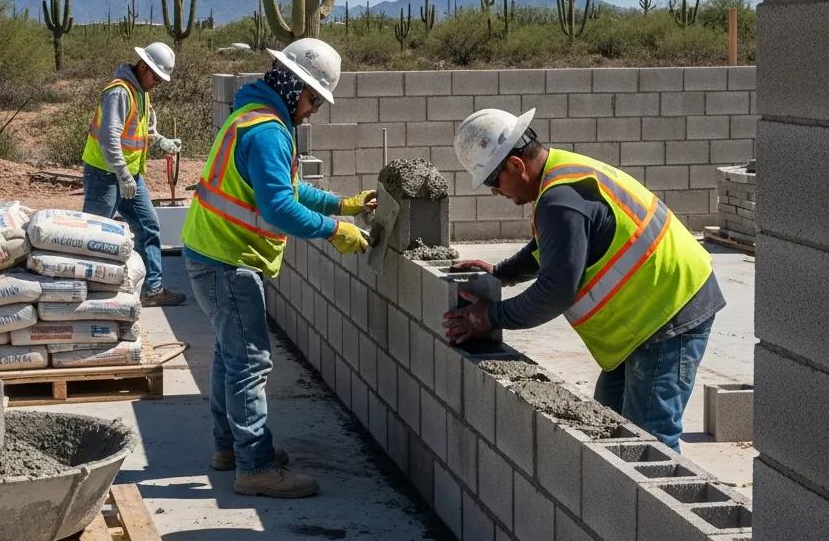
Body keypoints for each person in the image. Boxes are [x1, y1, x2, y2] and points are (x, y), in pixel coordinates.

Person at [444, 107, 724, 451]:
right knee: (608, 423)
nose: (495, 192)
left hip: (671, 308)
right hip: (649, 311)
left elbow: (555, 292)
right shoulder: (562, 174)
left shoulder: (560, 200)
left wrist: (488, 316)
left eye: (492, 181)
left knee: (649, 439)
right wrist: (502, 273)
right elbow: (555, 247)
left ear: (516, 165)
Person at [182, 37, 375, 498]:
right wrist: (334, 230)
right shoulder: (268, 131)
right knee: (250, 361)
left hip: (211, 252)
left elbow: (285, 187)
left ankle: (229, 448)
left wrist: (341, 204)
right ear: (294, 87)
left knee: (231, 356)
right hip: (228, 260)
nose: (312, 112)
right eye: (314, 100)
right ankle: (255, 466)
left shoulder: (252, 116)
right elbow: (280, 208)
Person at [81, 42, 186, 307]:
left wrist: (160, 141)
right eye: (156, 77)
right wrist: (123, 175)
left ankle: (152, 290)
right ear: (143, 67)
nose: (158, 83)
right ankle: (85, 292)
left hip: (129, 175)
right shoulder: (119, 92)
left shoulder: (141, 93)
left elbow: (144, 129)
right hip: (105, 174)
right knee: (94, 233)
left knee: (148, 224)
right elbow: (109, 139)